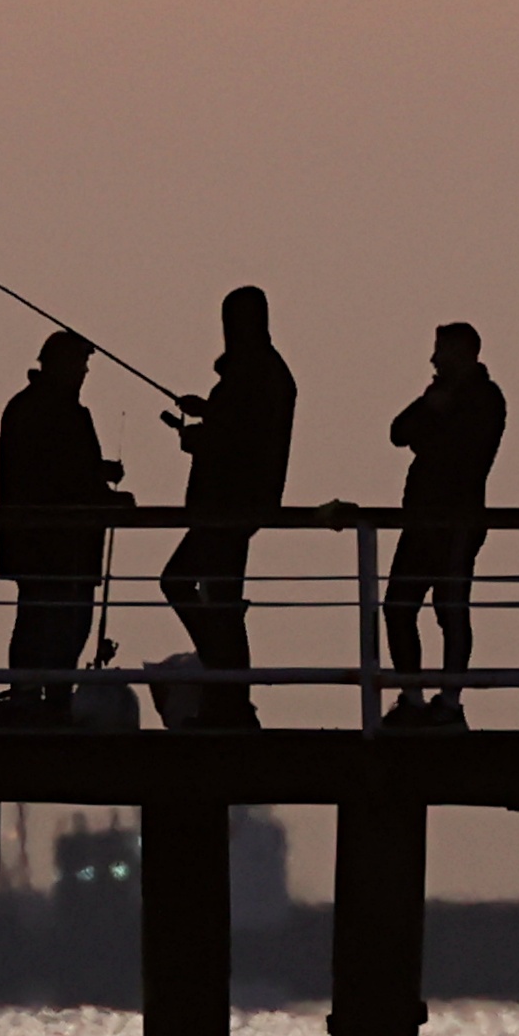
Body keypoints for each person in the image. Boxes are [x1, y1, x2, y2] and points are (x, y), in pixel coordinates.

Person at [160, 286, 295, 729]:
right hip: (239, 506)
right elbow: (239, 429)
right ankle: (228, 693)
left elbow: (239, 441)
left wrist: (200, 436)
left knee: (182, 583)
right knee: (222, 600)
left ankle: (227, 686)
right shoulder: (262, 373)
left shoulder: (251, 375)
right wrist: (207, 416)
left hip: (227, 507)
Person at [0, 331, 130, 716]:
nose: (84, 372)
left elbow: (59, 470)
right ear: (60, 364)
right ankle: (50, 702)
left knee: (40, 622)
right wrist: (108, 497)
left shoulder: (27, 407)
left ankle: (33, 698)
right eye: (80, 364)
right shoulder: (57, 411)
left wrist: (97, 475)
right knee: (59, 624)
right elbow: (61, 477)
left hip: (42, 544)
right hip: (59, 544)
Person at [383, 320, 506, 727]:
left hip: (457, 522)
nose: (434, 358)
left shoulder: (486, 399)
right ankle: (415, 698)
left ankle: (449, 702)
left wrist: (431, 423)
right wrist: (431, 414)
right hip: (421, 519)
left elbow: (460, 450)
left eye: (442, 350)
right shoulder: (439, 396)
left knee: (448, 609)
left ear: (465, 354)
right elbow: (398, 433)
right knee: (399, 606)